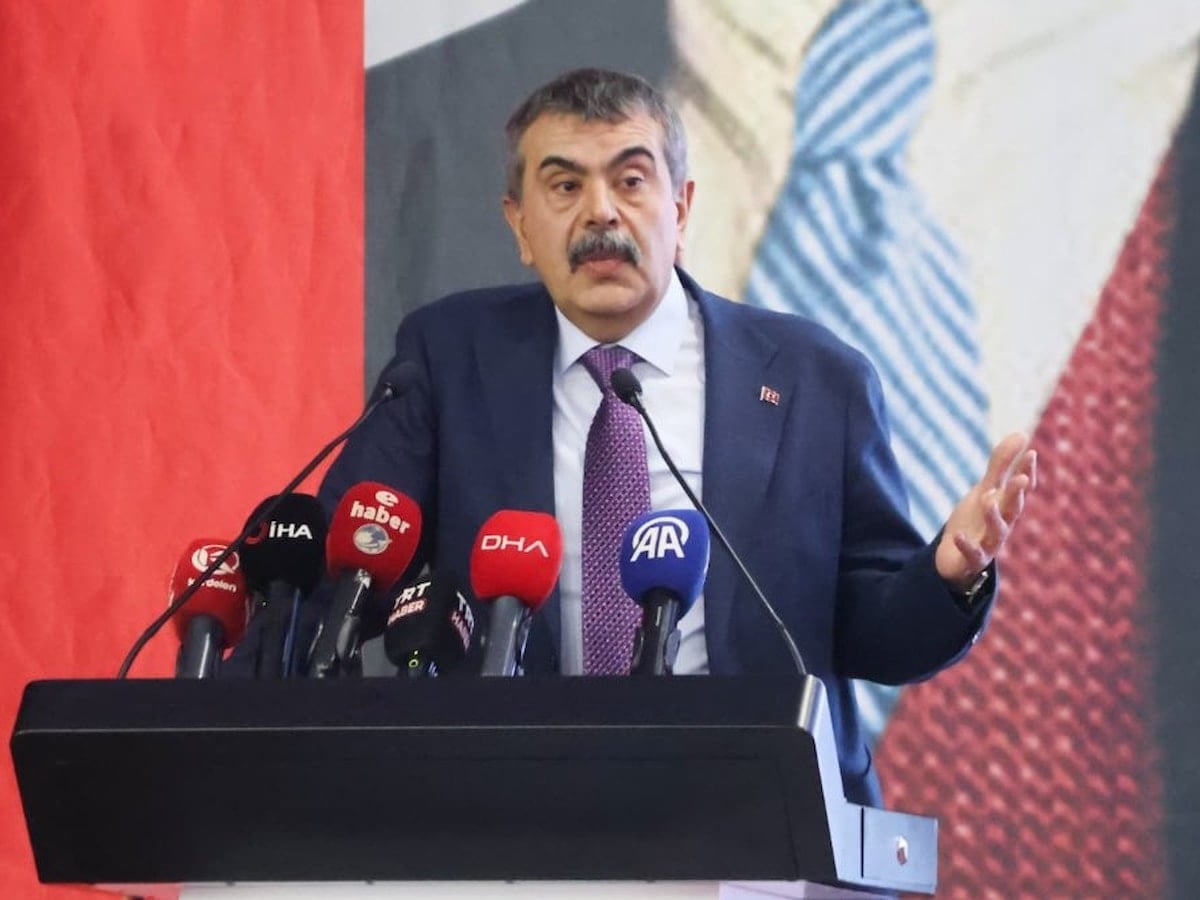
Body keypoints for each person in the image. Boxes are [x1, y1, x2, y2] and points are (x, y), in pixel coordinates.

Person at [319, 67, 1037, 807]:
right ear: (520, 225)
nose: (601, 213)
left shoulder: (815, 378)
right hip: (511, 807)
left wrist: (949, 573)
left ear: (681, 208)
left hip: (756, 809)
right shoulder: (449, 357)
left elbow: (877, 635)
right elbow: (347, 569)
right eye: (564, 186)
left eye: (631, 181)